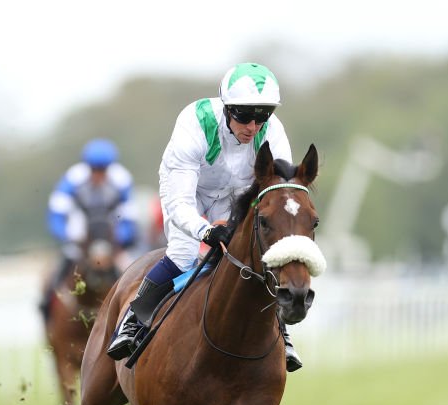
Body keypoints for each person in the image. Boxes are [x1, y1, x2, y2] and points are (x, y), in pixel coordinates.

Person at [106, 62, 303, 371]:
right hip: (189, 189)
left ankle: (281, 331)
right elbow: (180, 204)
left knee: (253, 256)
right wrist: (206, 231)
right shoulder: (196, 122)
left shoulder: (273, 131)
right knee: (183, 255)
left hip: (234, 194)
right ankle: (133, 319)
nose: (252, 126)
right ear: (226, 108)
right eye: (244, 115)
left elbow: (279, 193)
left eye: (261, 115)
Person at [41, 138, 137, 320]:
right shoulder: (72, 179)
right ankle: (46, 310)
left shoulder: (122, 180)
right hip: (79, 239)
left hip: (110, 240)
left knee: (133, 275)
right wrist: (65, 235)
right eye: (94, 170)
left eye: (103, 170)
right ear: (87, 167)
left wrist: (123, 239)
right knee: (55, 277)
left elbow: (129, 216)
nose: (98, 175)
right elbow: (56, 213)